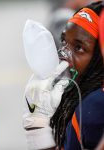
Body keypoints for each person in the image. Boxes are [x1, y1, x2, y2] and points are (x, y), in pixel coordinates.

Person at [23, 1, 104, 150]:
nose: (64, 54)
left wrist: (37, 128)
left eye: (79, 47)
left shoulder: (92, 108)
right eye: (64, 42)